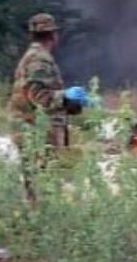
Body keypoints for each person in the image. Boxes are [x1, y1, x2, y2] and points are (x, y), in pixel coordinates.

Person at [8, 12, 87, 199]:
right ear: (53, 36)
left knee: (36, 183)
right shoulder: (39, 59)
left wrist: (71, 102)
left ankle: (37, 218)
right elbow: (40, 97)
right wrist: (66, 97)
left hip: (31, 129)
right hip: (37, 130)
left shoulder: (32, 56)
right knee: (43, 184)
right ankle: (43, 221)